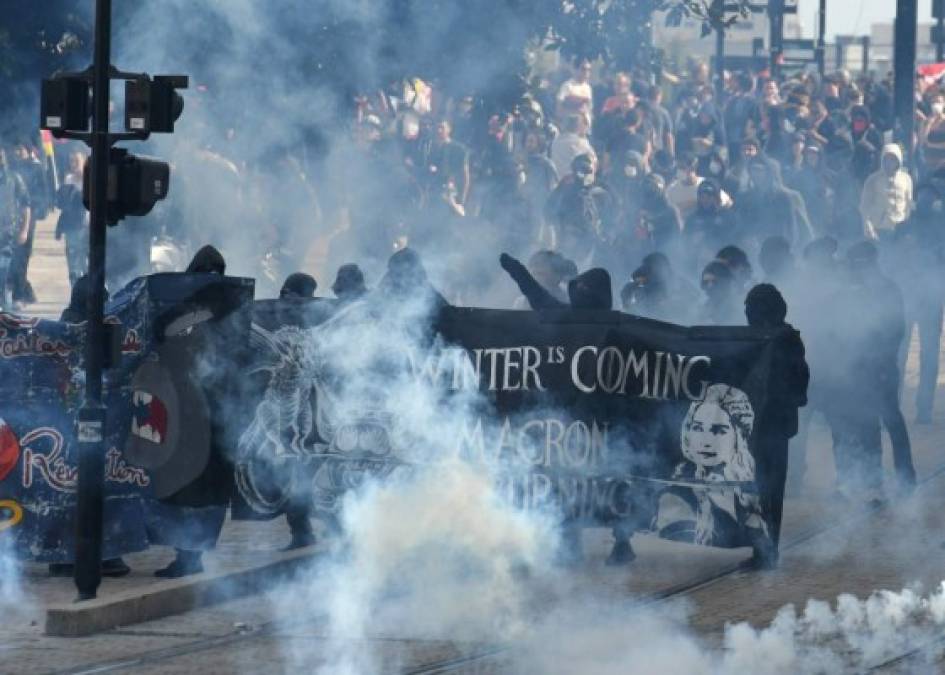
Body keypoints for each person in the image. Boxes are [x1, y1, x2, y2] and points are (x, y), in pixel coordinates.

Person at [149, 245, 231, 578]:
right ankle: (190, 553)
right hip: (197, 409)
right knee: (194, 486)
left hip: (208, 411)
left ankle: (190, 555)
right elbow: (161, 332)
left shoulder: (230, 310)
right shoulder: (195, 312)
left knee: (195, 486)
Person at [653, 384, 772, 560]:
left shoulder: (747, 491)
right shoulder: (675, 497)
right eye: (698, 428)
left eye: (718, 430)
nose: (706, 441)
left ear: (738, 436)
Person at [743, 284, 809, 565]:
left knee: (769, 488)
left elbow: (799, 383)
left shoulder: (786, 340)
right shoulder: (757, 340)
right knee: (759, 487)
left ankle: (767, 551)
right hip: (760, 426)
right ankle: (762, 548)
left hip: (773, 426)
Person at [894, 183, 945, 424]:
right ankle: (892, 405)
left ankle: (923, 409)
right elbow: (889, 258)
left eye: (931, 196)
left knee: (929, 354)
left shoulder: (941, 232)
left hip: (931, 299)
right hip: (906, 297)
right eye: (923, 195)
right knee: (899, 352)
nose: (927, 200)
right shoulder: (903, 227)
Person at [11, 142, 49, 305]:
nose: (17, 152)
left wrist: (35, 210)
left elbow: (43, 192)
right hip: (11, 218)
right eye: (16, 149)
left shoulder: (36, 168)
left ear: (28, 150)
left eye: (20, 149)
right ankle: (25, 292)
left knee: (21, 257)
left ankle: (19, 295)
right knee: (12, 258)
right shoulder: (11, 168)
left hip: (28, 216)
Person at [860, 144, 912, 242]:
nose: (889, 163)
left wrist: (907, 228)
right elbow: (864, 207)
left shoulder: (906, 179)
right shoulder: (873, 180)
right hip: (879, 229)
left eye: (893, 159)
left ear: (898, 160)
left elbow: (908, 204)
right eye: (886, 159)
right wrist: (868, 228)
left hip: (899, 229)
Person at [0, 148, 30, 310]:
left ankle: (5, 309)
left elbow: (26, 205)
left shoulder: (14, 179)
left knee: (4, 272)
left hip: (7, 233)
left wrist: (24, 229)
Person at [55, 151, 88, 287]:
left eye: (77, 161)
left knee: (87, 262)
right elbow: (63, 205)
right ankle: (75, 292)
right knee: (73, 262)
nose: (74, 165)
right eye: (71, 162)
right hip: (73, 226)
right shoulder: (69, 179)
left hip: (89, 226)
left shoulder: (92, 179)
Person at [550, 114, 596, 180]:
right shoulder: (580, 143)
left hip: (558, 184)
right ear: (578, 125)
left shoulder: (555, 142)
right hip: (576, 184)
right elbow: (593, 163)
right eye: (585, 124)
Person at [697, 259, 742, 325]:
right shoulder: (705, 310)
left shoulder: (734, 311)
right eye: (708, 282)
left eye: (713, 282)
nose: (710, 285)